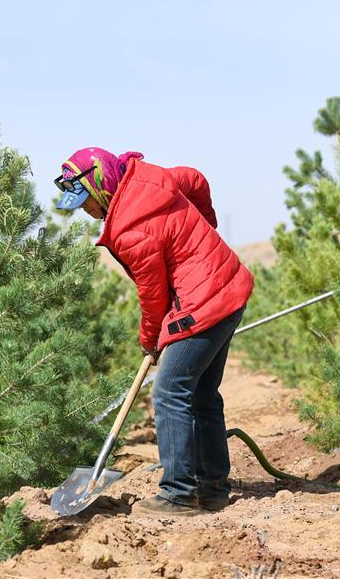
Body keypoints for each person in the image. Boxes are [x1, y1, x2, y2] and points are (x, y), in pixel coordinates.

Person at [54, 147, 254, 516]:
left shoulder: (130, 230)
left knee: (169, 391)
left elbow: (153, 294)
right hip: (228, 283)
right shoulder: (146, 178)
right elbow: (195, 179)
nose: (85, 210)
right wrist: (204, 235)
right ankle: (212, 490)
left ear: (101, 187)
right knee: (202, 393)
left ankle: (178, 495)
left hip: (205, 299)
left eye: (85, 202)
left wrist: (150, 339)